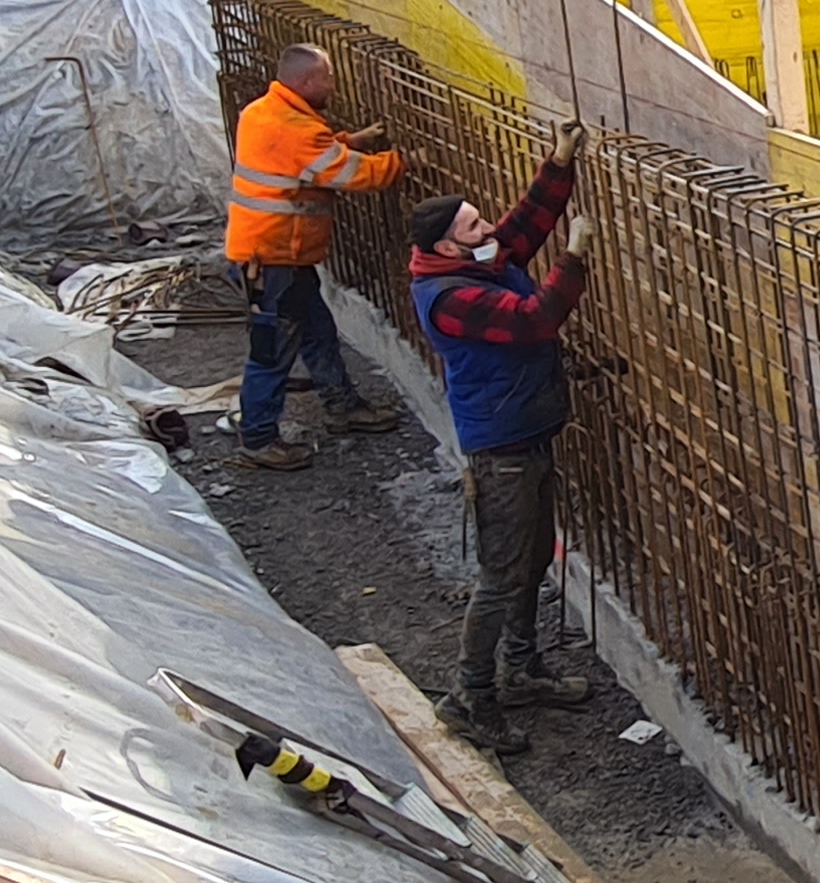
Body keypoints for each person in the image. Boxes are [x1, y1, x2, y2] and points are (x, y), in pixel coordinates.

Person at [408, 120, 598, 751]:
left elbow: (523, 225)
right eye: (473, 226)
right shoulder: (449, 297)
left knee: (534, 558)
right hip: (502, 450)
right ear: (447, 245)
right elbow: (534, 320)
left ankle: (521, 668)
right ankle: (469, 696)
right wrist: (573, 260)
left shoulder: (477, 262)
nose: (488, 228)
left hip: (528, 432)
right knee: (500, 575)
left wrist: (559, 164)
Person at [225, 43, 406, 466]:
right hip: (273, 263)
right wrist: (405, 161)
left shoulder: (261, 111)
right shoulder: (296, 128)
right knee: (272, 353)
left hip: (276, 256)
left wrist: (348, 141)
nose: (333, 85)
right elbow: (354, 174)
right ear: (305, 81)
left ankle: (342, 405)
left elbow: (300, 158)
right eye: (327, 77)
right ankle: (258, 439)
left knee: (317, 331)